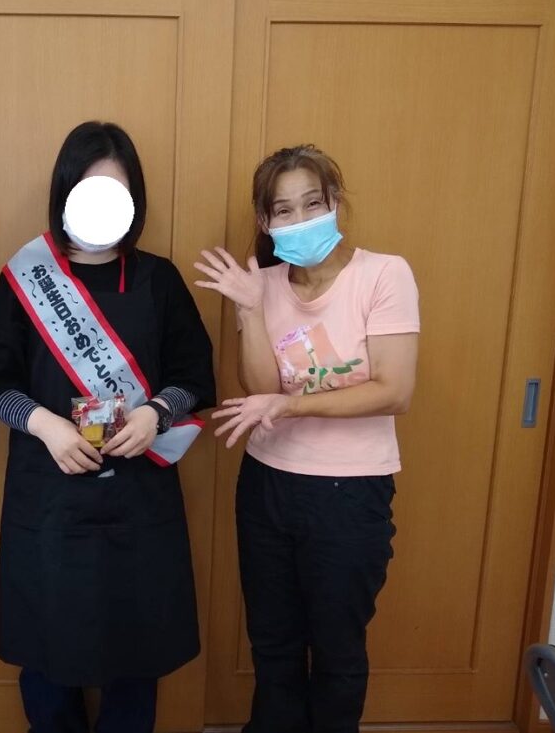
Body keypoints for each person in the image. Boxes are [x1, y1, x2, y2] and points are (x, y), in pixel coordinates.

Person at [0, 121, 215, 733]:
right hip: (49, 496)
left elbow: (194, 376)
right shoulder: (23, 278)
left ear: (135, 198)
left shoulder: (159, 279)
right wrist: (45, 425)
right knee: (46, 649)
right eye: (88, 188)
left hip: (140, 496)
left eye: (116, 190)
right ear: (64, 192)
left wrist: (156, 412)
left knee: (138, 647)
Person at [193, 144, 419, 733]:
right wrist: (249, 310)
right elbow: (261, 389)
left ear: (335, 202)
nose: (300, 219)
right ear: (266, 221)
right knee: (273, 646)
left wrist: (292, 405)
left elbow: (395, 390)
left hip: (351, 493)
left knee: (338, 650)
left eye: (312, 204)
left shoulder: (383, 274)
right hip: (268, 485)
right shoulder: (260, 284)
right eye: (283, 210)